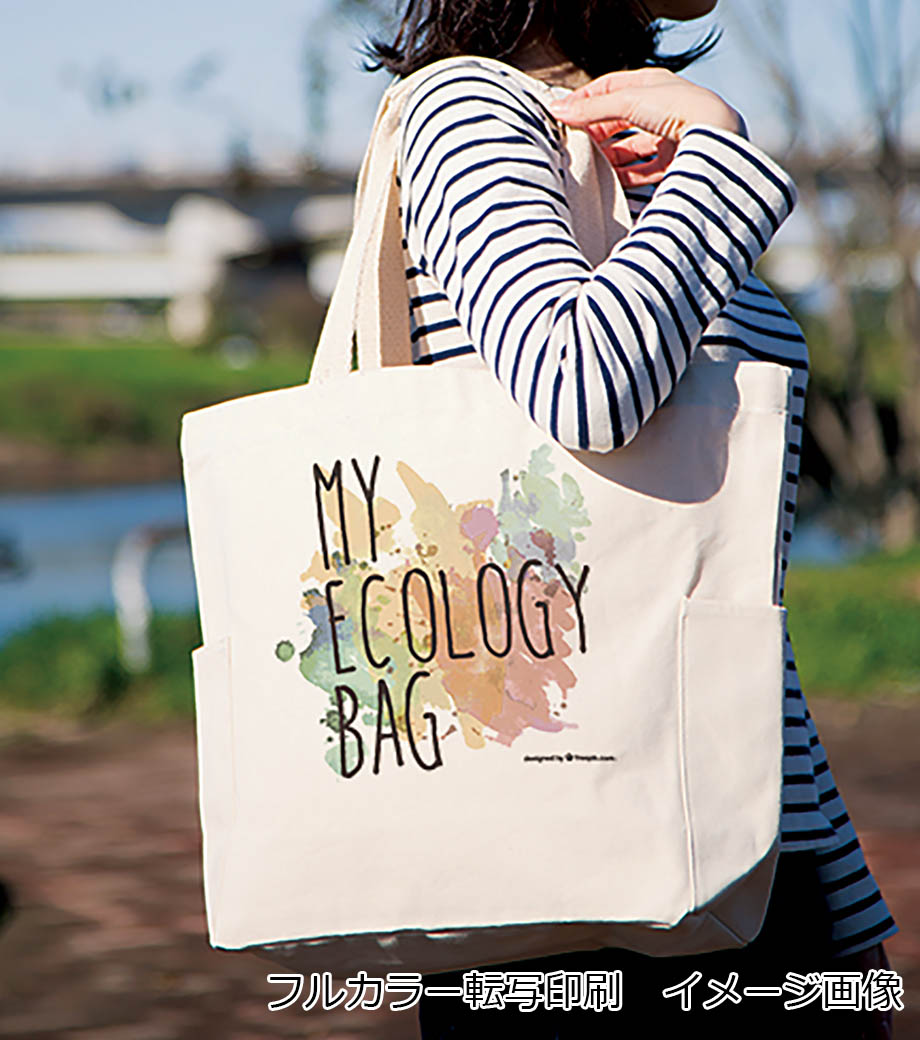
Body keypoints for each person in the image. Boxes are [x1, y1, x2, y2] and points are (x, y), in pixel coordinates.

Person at [363, 0, 898, 1035]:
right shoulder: (468, 108)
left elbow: (718, 602)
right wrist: (720, 154)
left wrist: (839, 904)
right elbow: (583, 384)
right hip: (574, 873)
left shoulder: (627, 141)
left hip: (747, 852)